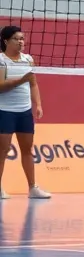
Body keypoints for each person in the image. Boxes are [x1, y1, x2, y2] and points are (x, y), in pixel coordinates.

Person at [0, 25, 51, 200]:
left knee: (27, 150)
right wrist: (22, 80)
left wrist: (38, 104)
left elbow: (33, 84)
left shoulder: (28, 59)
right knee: (3, 150)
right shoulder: (1, 60)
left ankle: (32, 188)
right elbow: (0, 87)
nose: (21, 42)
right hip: (5, 111)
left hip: (24, 112)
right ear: (6, 41)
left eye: (22, 38)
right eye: (17, 38)